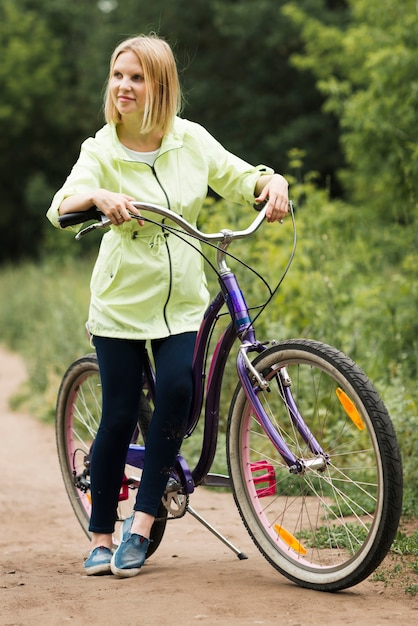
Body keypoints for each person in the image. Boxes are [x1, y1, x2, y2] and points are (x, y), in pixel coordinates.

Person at [47, 33, 289, 578]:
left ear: (161, 86)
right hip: (121, 302)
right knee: (120, 415)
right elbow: (62, 204)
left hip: (182, 300)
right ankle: (103, 534)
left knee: (179, 395)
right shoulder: (101, 149)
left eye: (136, 77)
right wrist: (99, 197)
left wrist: (271, 183)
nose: (123, 87)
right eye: (117, 76)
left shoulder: (190, 141)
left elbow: (239, 176)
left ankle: (143, 522)